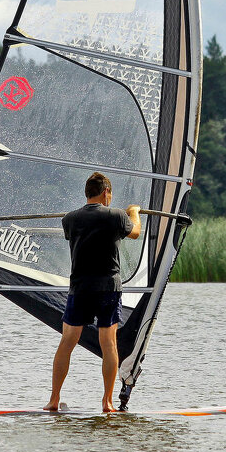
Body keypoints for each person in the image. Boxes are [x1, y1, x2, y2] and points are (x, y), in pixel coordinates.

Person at [45, 172, 141, 413]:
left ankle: (54, 399)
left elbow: (76, 230)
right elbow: (135, 232)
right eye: (110, 194)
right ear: (106, 192)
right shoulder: (117, 216)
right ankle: (107, 403)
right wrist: (134, 211)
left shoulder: (70, 219)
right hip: (108, 287)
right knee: (108, 343)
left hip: (80, 288)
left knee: (67, 341)